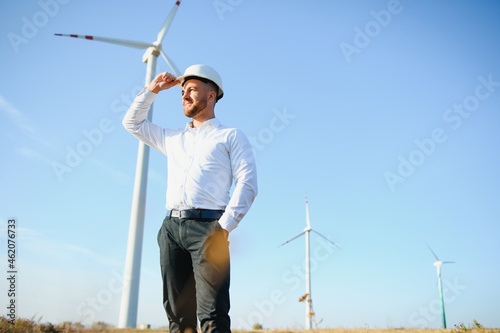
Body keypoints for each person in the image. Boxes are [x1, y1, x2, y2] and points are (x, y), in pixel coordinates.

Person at [122, 64, 258, 333]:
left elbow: (248, 183)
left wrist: (223, 228)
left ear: (211, 95)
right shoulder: (172, 139)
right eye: (183, 91)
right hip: (171, 230)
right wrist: (153, 90)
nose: (184, 95)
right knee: (178, 317)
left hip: (209, 228)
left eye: (192, 89)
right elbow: (132, 123)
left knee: (212, 315)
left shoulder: (230, 136)